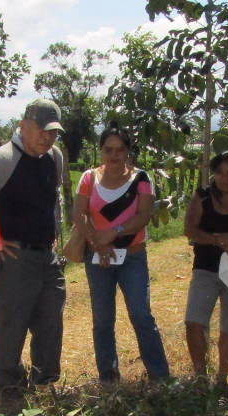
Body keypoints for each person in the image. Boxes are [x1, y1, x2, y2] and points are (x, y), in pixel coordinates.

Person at [0, 98, 67, 406]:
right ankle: (12, 398)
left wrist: (56, 232)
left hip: (47, 256)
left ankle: (44, 390)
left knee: (50, 324)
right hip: (16, 259)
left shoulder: (54, 157)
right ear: (24, 124)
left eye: (53, 133)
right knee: (11, 330)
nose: (47, 138)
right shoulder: (3, 160)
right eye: (43, 131)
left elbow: (54, 199)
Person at [72, 122, 169, 382]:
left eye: (120, 150)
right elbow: (78, 214)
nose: (114, 156)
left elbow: (143, 216)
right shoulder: (88, 178)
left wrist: (112, 233)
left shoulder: (141, 179)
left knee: (141, 315)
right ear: (101, 151)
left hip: (133, 257)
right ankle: (108, 378)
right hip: (96, 257)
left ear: (128, 152)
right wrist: (97, 242)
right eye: (108, 150)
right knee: (102, 320)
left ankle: (160, 378)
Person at [183, 151, 228, 386]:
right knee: (194, 321)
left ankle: (222, 379)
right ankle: (201, 376)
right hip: (205, 267)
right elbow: (190, 230)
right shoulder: (202, 197)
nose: (225, 179)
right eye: (220, 173)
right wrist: (217, 240)